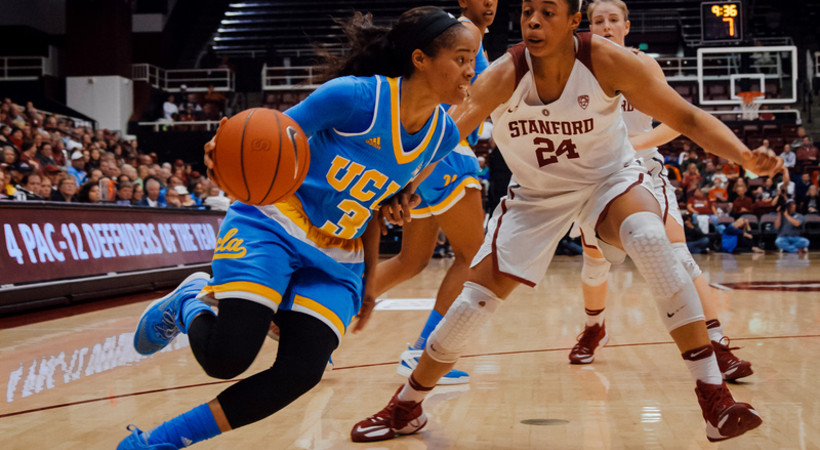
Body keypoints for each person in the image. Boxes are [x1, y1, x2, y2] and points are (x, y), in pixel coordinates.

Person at [351, 0, 782, 443]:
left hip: (608, 180)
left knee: (649, 236)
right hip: (537, 194)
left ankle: (714, 397)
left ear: (575, 20)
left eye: (548, 12)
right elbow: (447, 134)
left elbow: (687, 117)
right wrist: (402, 185)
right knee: (474, 300)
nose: (534, 21)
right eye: (528, 12)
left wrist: (745, 157)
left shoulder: (606, 60)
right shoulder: (504, 73)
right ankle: (407, 406)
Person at [117, 7, 476, 449]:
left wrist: (369, 282)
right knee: (227, 359)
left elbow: (377, 204)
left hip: (338, 257)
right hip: (273, 224)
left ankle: (158, 442)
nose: (470, 70)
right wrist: (225, 146)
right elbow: (267, 138)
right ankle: (191, 298)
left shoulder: (442, 135)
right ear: (421, 59)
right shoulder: (354, 98)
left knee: (301, 372)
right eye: (461, 58)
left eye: (473, 59)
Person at [563, 0, 751, 382]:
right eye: (598, 21)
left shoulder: (644, 65)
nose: (606, 26)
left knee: (677, 250)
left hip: (644, 169)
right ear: (587, 27)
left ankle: (715, 342)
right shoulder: (574, 71)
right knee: (595, 262)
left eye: (613, 20)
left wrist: (632, 144)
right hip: (594, 175)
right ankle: (594, 328)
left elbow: (675, 123)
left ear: (627, 27)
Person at [369, 0, 496, 386]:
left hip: (425, 153)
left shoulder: (464, 36)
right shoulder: (465, 35)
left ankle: (319, 322)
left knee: (411, 260)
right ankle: (424, 351)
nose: (489, 1)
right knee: (473, 255)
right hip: (445, 150)